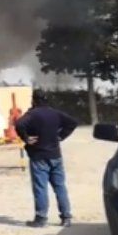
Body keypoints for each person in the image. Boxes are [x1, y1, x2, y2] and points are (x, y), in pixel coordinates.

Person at [14, 94, 78, 228]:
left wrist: (26, 138)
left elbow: (19, 124)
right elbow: (73, 122)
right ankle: (66, 217)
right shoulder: (55, 113)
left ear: (33, 100)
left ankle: (41, 218)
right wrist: (61, 136)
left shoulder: (32, 114)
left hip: (39, 156)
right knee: (60, 187)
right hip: (55, 155)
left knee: (40, 188)